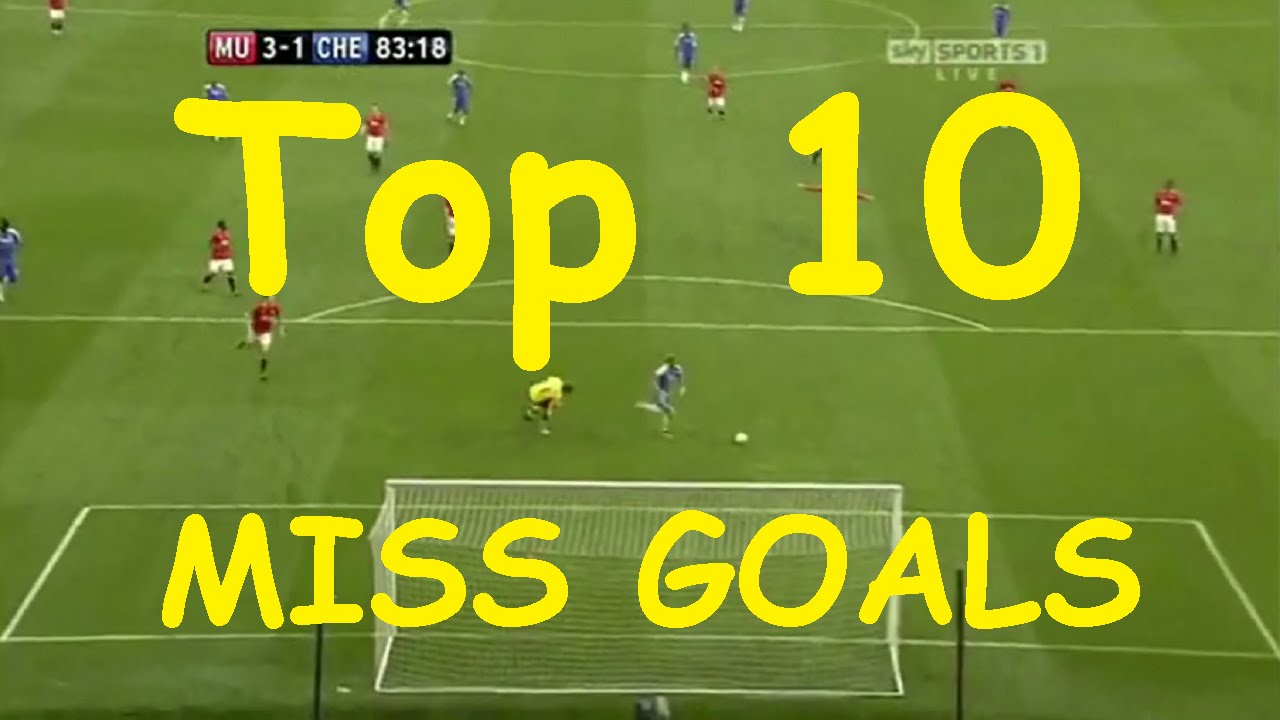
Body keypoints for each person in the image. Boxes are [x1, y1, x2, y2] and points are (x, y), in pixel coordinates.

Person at [0, 218, 22, 303]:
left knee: (13, 279)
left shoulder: (13, 233)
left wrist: (14, 248)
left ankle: (6, 277)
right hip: (1, 258)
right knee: (1, 277)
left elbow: (19, 241)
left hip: (10, 257)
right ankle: (0, 295)